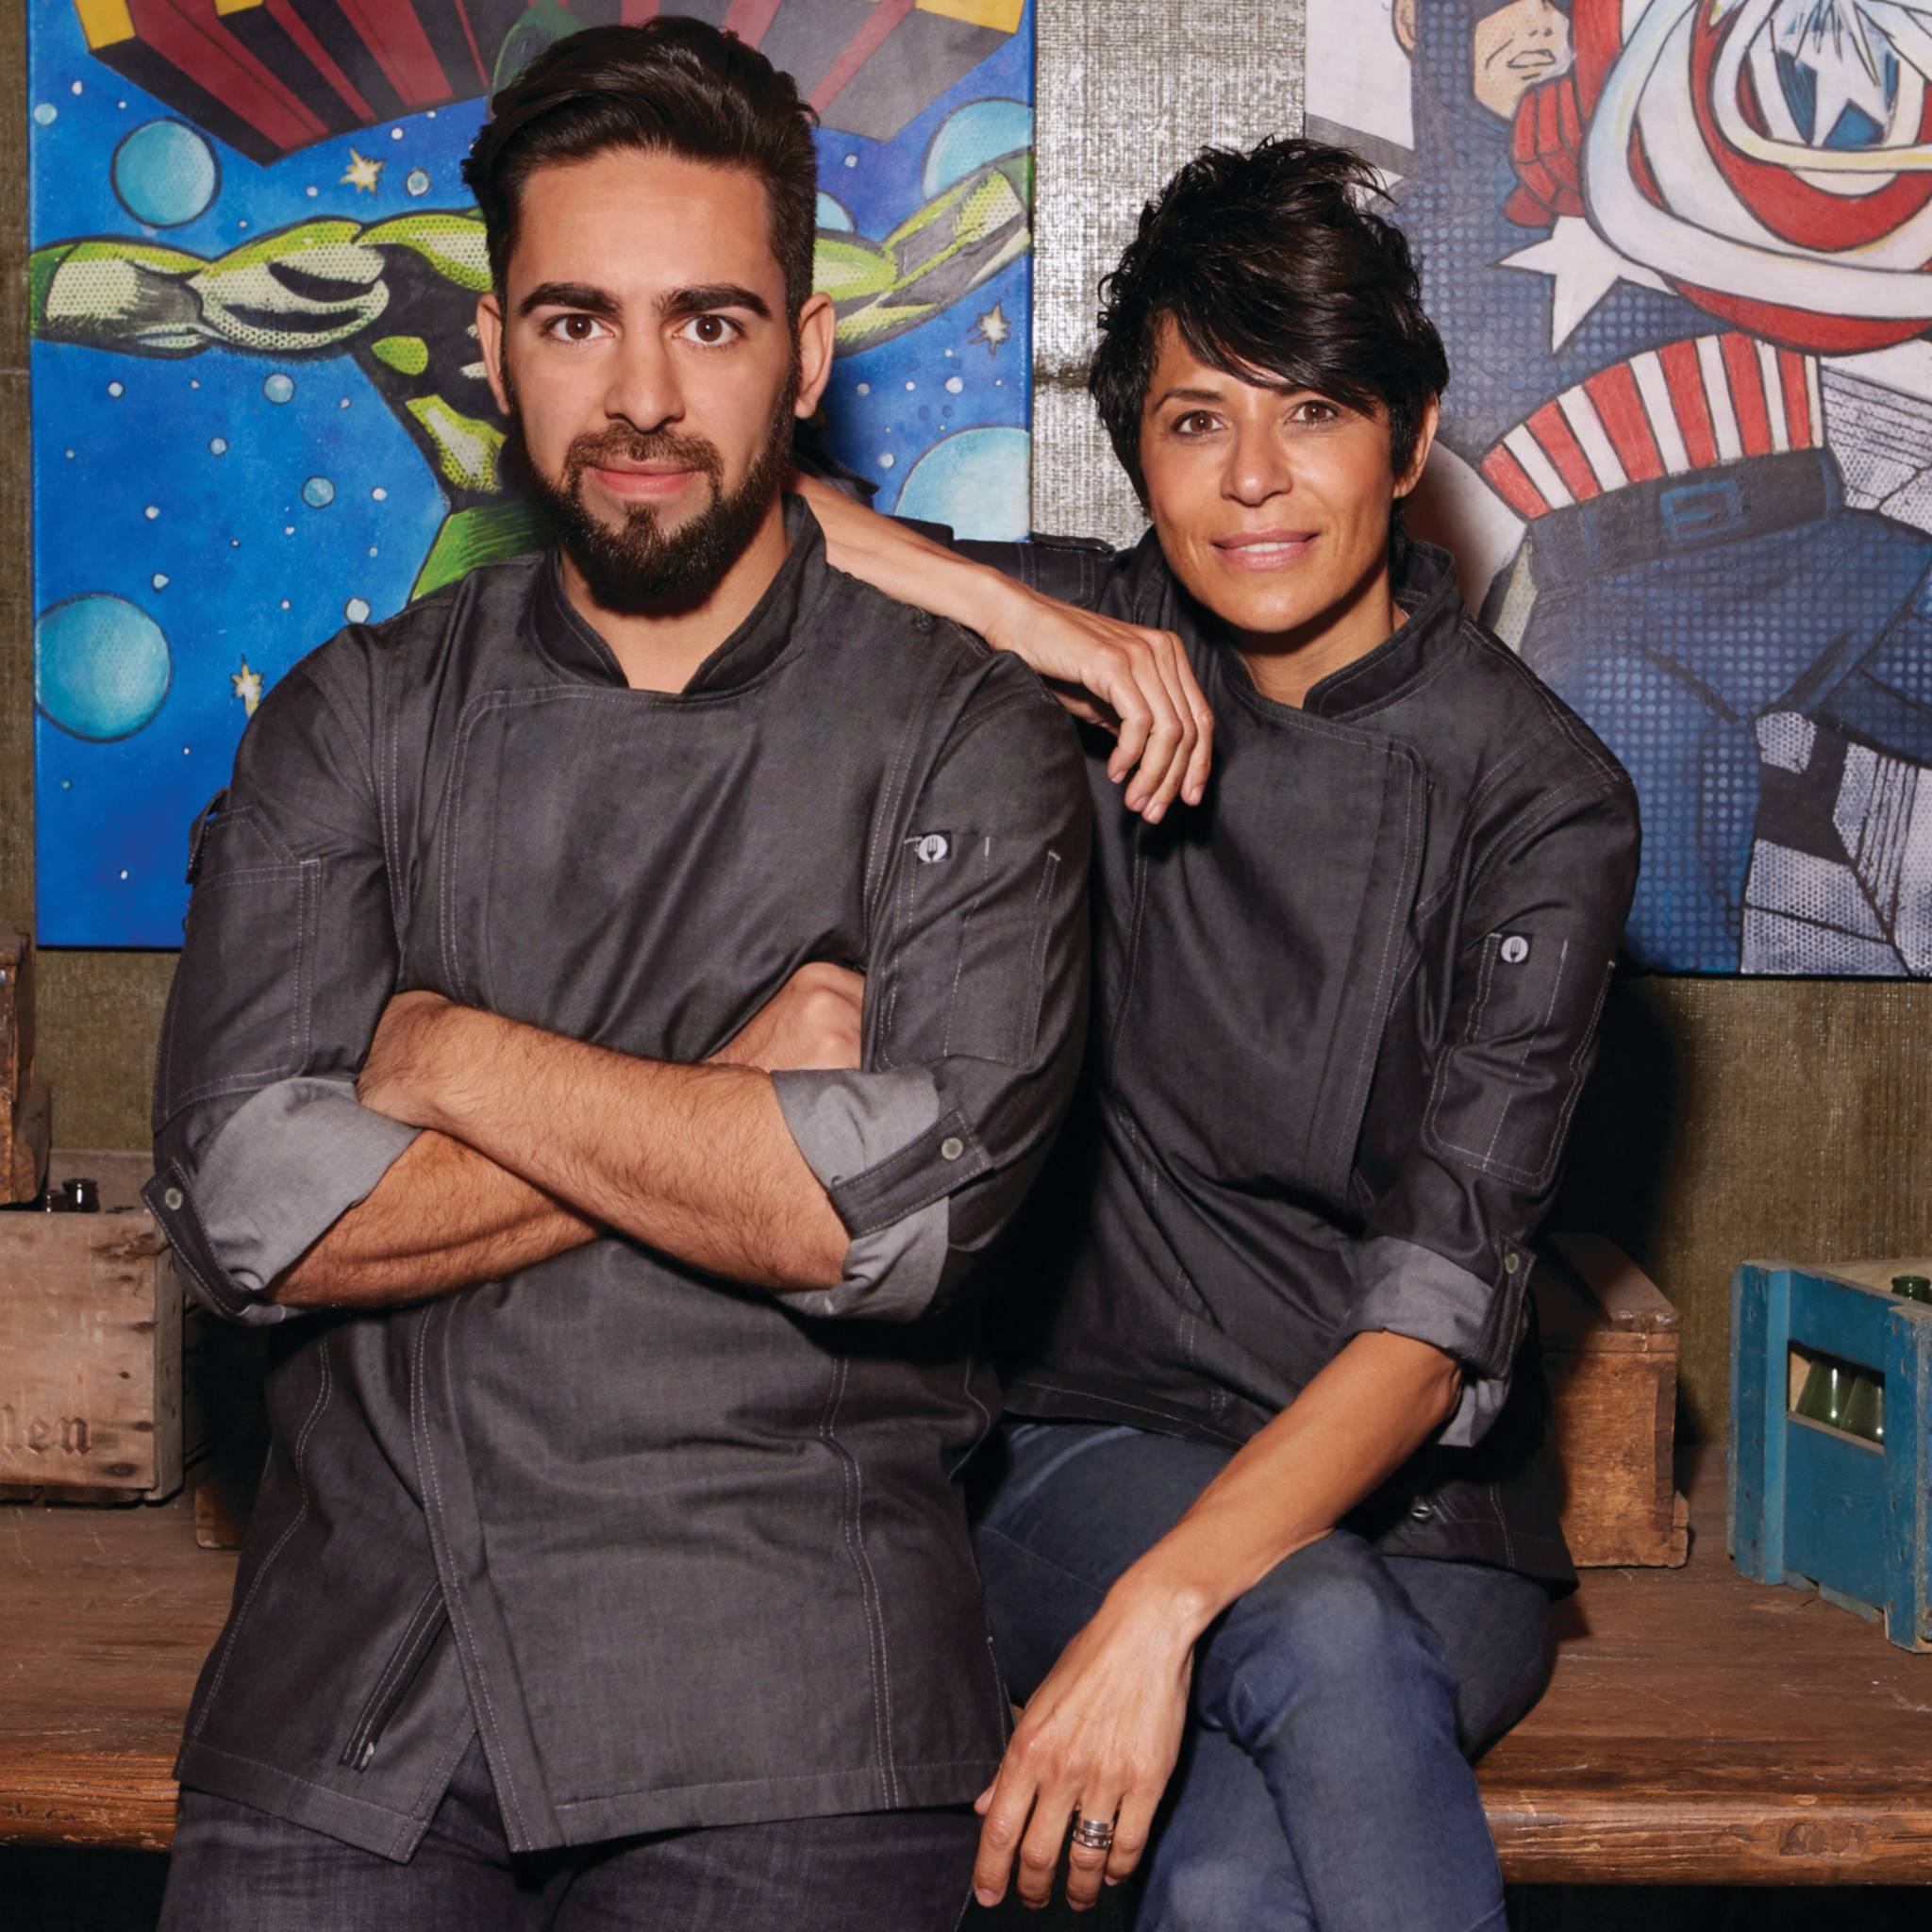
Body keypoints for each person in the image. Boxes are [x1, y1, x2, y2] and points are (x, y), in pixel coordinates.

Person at [142, 22, 1090, 1930]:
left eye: (709, 324)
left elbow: (896, 1223)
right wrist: (730, 1097)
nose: (642, 396)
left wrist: (450, 1052)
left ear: (805, 352)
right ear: (496, 351)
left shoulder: (965, 737)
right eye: (577, 322)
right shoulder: (356, 719)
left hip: (789, 1682)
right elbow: (249, 1212)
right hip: (366, 1677)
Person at [797, 137, 1641, 1930]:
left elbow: (1430, 1334)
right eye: (1197, 421)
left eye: (1314, 412)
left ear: (1408, 440)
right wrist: (1026, 621)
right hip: (1088, 1445)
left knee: (1244, 1865)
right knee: (1311, 1644)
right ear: (1138, 453)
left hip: (1424, 1514)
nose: (1256, 478)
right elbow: (736, 513)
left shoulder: (1541, 798)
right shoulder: (1090, 641)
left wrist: (1159, 1611)